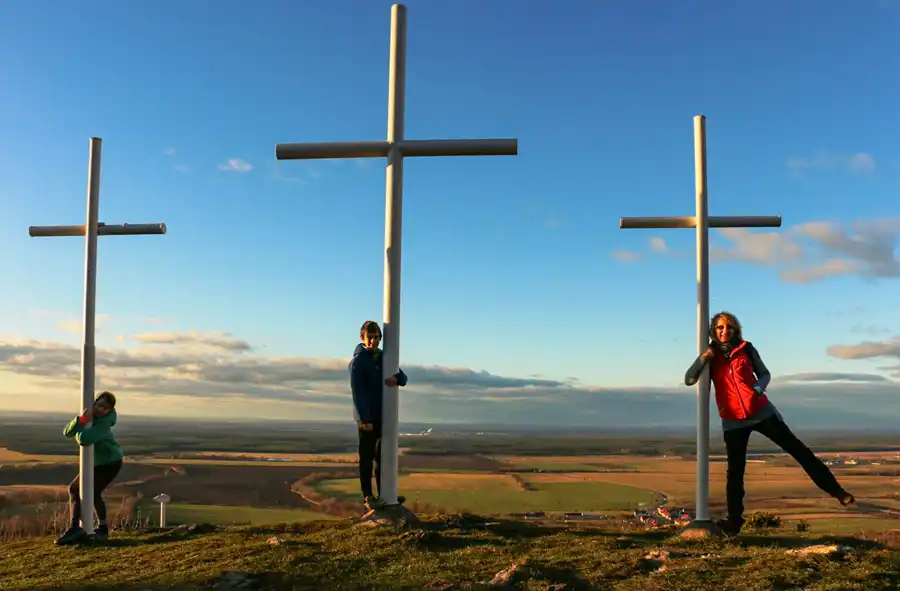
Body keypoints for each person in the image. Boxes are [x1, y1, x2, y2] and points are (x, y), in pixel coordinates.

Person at [684, 311, 855, 535]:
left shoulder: (746, 349)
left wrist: (756, 389)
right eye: (720, 327)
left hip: (761, 412)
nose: (725, 331)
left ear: (736, 330)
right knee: (735, 473)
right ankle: (734, 523)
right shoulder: (710, 355)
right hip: (733, 420)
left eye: (729, 327)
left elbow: (764, 374)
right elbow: (689, 379)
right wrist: (702, 359)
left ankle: (838, 492)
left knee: (798, 450)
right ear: (713, 330)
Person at [349, 320, 408, 510]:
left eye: (376, 338)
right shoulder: (358, 361)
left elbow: (404, 377)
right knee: (366, 458)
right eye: (370, 338)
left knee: (381, 457)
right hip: (366, 418)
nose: (373, 341)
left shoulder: (385, 358)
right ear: (362, 338)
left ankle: (386, 493)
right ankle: (368, 497)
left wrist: (397, 378)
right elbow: (357, 392)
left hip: (383, 415)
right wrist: (364, 419)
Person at [56, 391, 124, 545]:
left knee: (89, 492)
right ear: (94, 403)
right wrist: (81, 419)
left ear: (109, 411)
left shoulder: (104, 423)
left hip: (110, 463)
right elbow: (67, 432)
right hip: (96, 463)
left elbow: (85, 439)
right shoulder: (89, 417)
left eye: (105, 408)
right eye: (99, 405)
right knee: (76, 489)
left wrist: (80, 428)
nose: (101, 410)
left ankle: (95, 528)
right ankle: (79, 528)